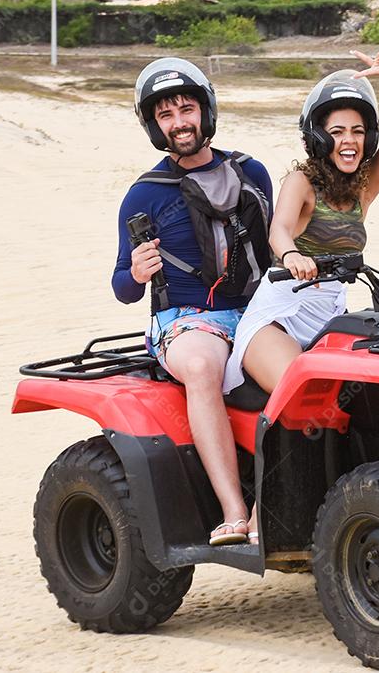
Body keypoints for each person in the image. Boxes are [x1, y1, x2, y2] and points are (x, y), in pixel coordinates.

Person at [113, 57, 273, 547]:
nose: (179, 122)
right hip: (182, 323)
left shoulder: (252, 173)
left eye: (186, 108)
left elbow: (275, 249)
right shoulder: (144, 194)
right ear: (154, 126)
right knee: (204, 366)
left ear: (206, 111)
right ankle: (234, 510)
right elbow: (123, 286)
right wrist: (137, 272)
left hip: (253, 312)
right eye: (166, 115)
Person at [221, 44, 379, 403]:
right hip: (280, 318)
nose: (349, 140)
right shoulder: (301, 182)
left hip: (332, 318)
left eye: (358, 131)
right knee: (305, 396)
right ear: (320, 137)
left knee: (374, 396)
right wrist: (291, 255)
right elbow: (279, 229)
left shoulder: (363, 188)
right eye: (338, 132)